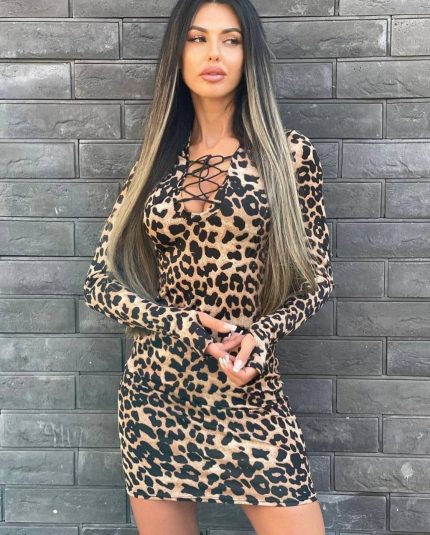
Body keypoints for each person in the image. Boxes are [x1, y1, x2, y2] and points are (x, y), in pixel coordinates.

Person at [83, 1, 334, 534]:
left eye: (231, 39)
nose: (214, 53)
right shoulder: (155, 160)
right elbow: (98, 283)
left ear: (249, 55)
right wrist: (180, 324)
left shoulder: (288, 155)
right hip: (155, 395)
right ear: (178, 55)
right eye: (197, 39)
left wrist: (261, 335)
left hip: (247, 389)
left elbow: (317, 280)